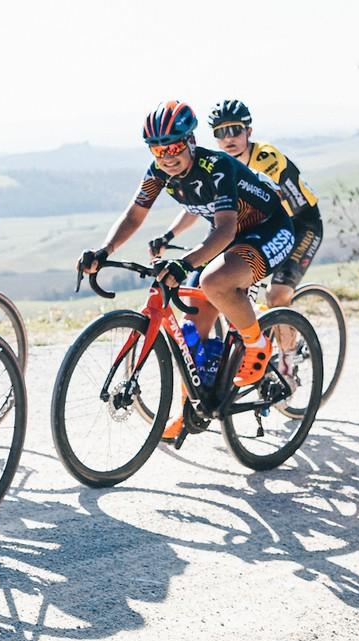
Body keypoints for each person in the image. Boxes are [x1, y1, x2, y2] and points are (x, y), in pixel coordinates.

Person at [80, 100, 295, 442]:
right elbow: (134, 215)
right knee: (192, 325)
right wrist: (104, 251)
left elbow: (225, 230)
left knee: (214, 281)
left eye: (173, 147)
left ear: (191, 141)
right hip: (230, 236)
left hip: (269, 229)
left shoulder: (217, 167)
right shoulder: (158, 173)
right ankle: (193, 407)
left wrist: (185, 263)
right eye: (157, 149)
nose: (166, 157)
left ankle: (257, 345)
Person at [153, 100, 322, 310]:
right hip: (250, 227)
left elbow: (274, 202)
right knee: (207, 285)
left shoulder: (265, 158)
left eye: (234, 130)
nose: (228, 138)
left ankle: (288, 331)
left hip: (300, 224)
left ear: (248, 131)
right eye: (220, 132)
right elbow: (197, 207)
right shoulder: (216, 165)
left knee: (276, 296)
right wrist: (168, 236)